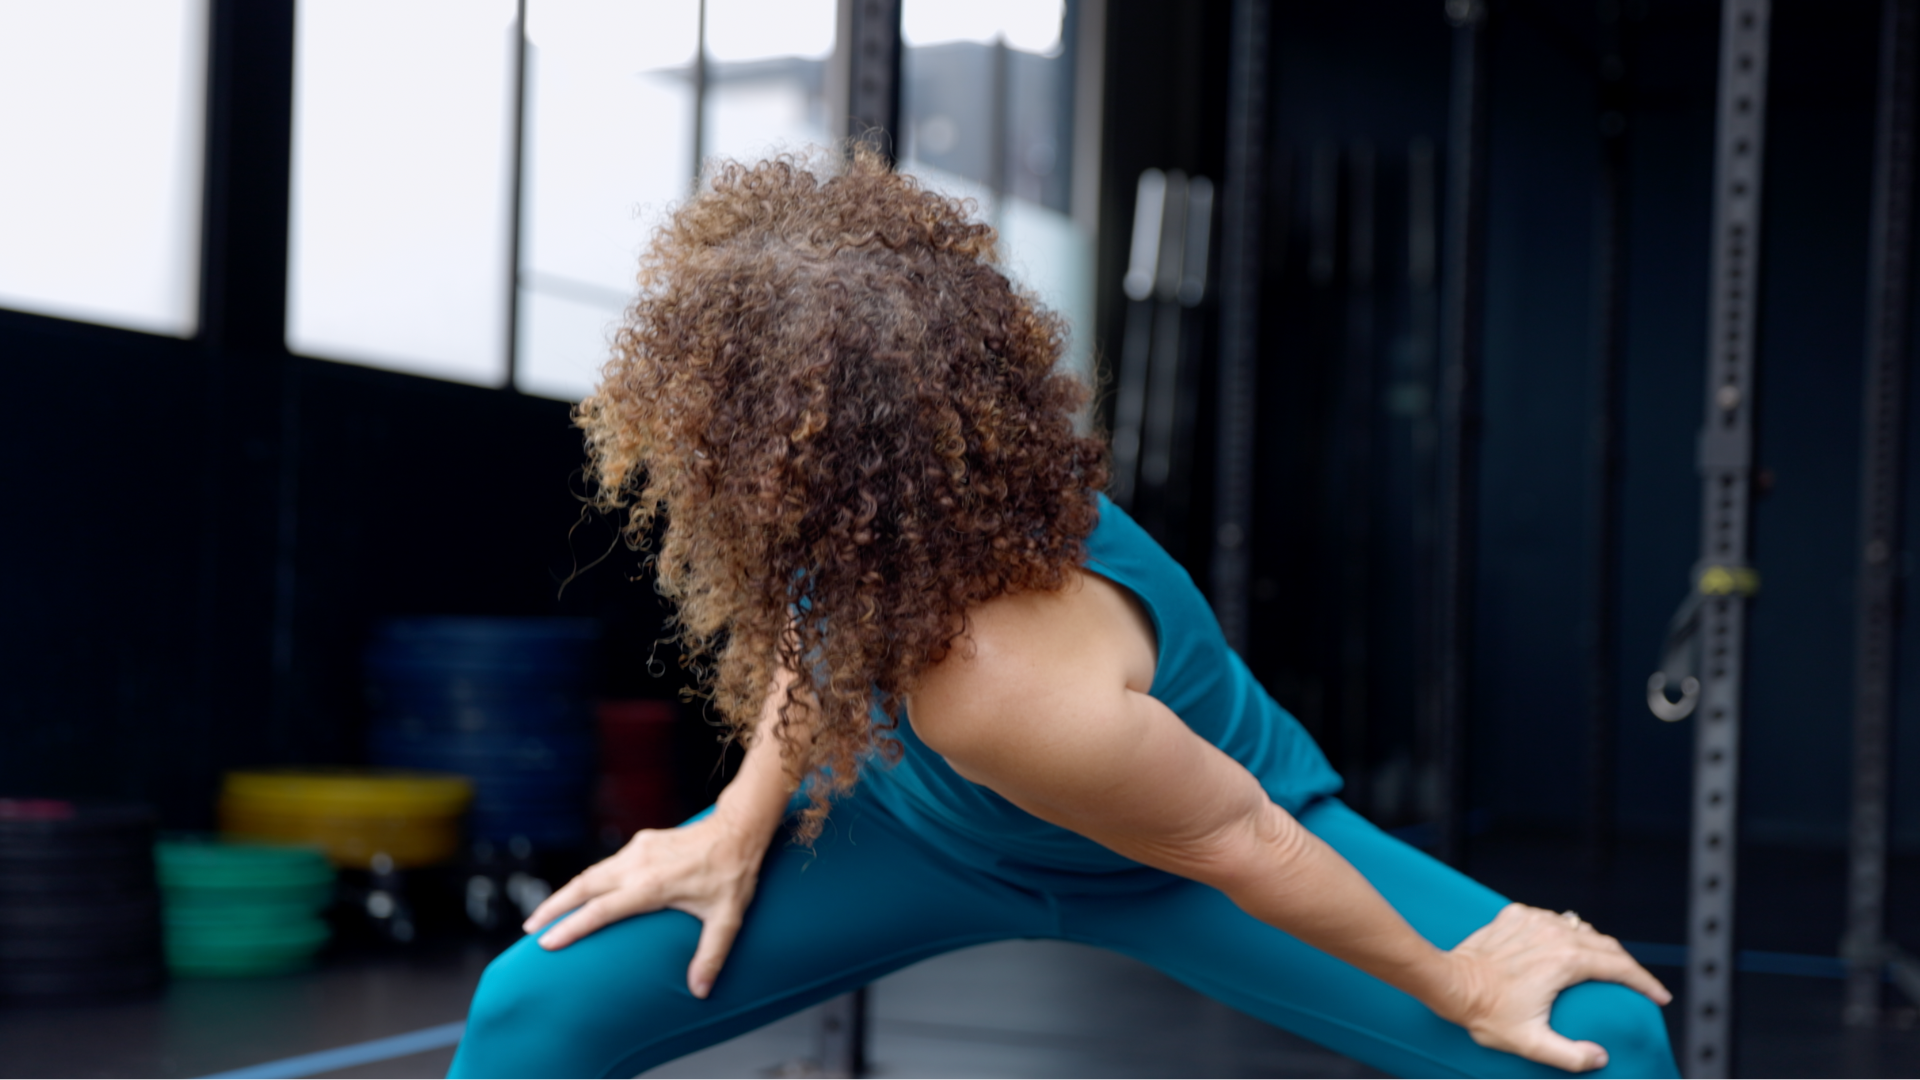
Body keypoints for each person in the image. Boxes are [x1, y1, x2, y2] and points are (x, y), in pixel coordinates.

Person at [448, 150, 1677, 1079]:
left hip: (1175, 860)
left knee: (1603, 1041)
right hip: (918, 829)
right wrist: (731, 822)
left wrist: (1462, 984)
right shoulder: (869, 514)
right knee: (530, 1011)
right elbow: (820, 628)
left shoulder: (1001, 677)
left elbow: (1244, 844)